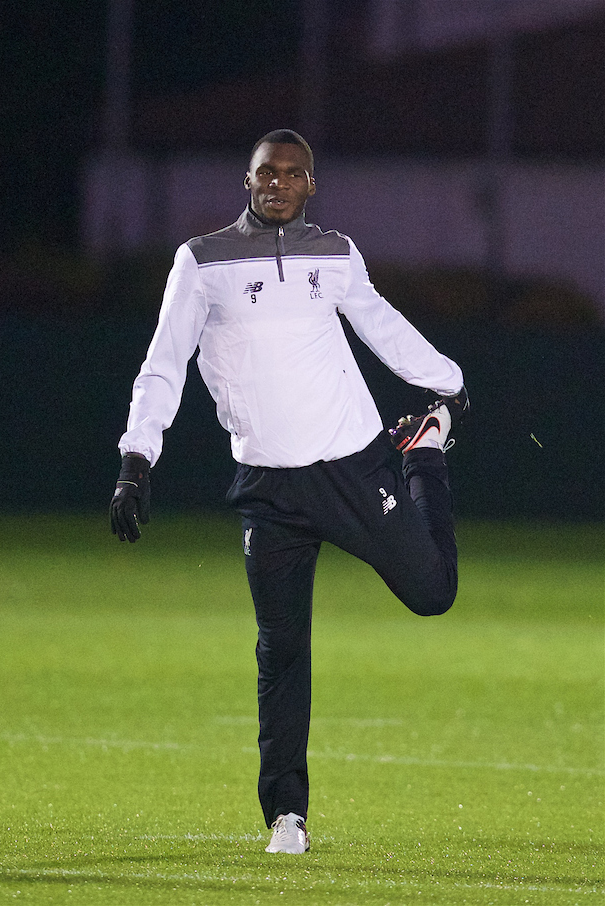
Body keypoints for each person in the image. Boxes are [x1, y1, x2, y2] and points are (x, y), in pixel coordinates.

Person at [109, 130, 467, 855]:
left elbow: (378, 321)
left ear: (312, 186)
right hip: (268, 486)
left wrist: (448, 382)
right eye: (265, 173)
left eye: (292, 173)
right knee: (280, 650)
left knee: (432, 591)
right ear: (247, 182)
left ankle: (423, 452)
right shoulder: (200, 261)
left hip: (352, 467)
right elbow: (162, 365)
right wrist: (136, 459)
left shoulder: (334, 253)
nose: (278, 183)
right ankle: (287, 816)